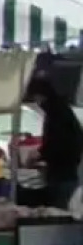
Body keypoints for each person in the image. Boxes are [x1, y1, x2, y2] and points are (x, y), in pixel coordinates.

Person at [25, 74, 83, 211]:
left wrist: (41, 154)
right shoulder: (60, 110)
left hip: (62, 174)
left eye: (35, 98)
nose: (37, 103)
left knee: (60, 211)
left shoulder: (57, 113)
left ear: (40, 95)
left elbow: (59, 143)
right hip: (66, 170)